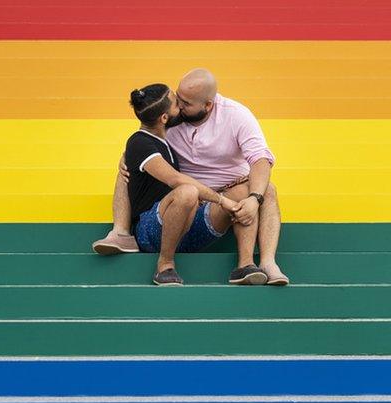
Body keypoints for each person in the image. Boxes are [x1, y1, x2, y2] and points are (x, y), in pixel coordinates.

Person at [93, 69, 289, 286]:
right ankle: (122, 233)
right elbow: (147, 132)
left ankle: (257, 264)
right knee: (147, 176)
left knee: (263, 189)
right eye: (177, 99)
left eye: (185, 103)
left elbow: (260, 158)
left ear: (207, 105)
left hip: (216, 199)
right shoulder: (173, 119)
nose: (179, 105)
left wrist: (254, 198)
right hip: (183, 202)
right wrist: (127, 155)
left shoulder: (235, 115)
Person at [113, 83, 255, 286]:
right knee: (187, 191)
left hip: (184, 231)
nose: (180, 106)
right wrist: (222, 200)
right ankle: (165, 265)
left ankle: (245, 266)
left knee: (245, 192)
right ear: (164, 118)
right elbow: (175, 180)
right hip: (150, 232)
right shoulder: (139, 142)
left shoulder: (165, 137)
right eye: (176, 104)